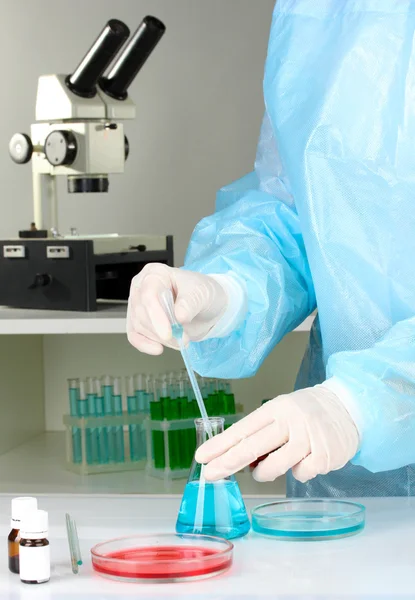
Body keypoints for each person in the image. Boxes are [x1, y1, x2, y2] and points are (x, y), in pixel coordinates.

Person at [127, 0, 415, 498]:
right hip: (352, 490)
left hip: (345, 429)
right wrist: (226, 291)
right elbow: (301, 209)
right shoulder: (322, 14)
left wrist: (363, 401)